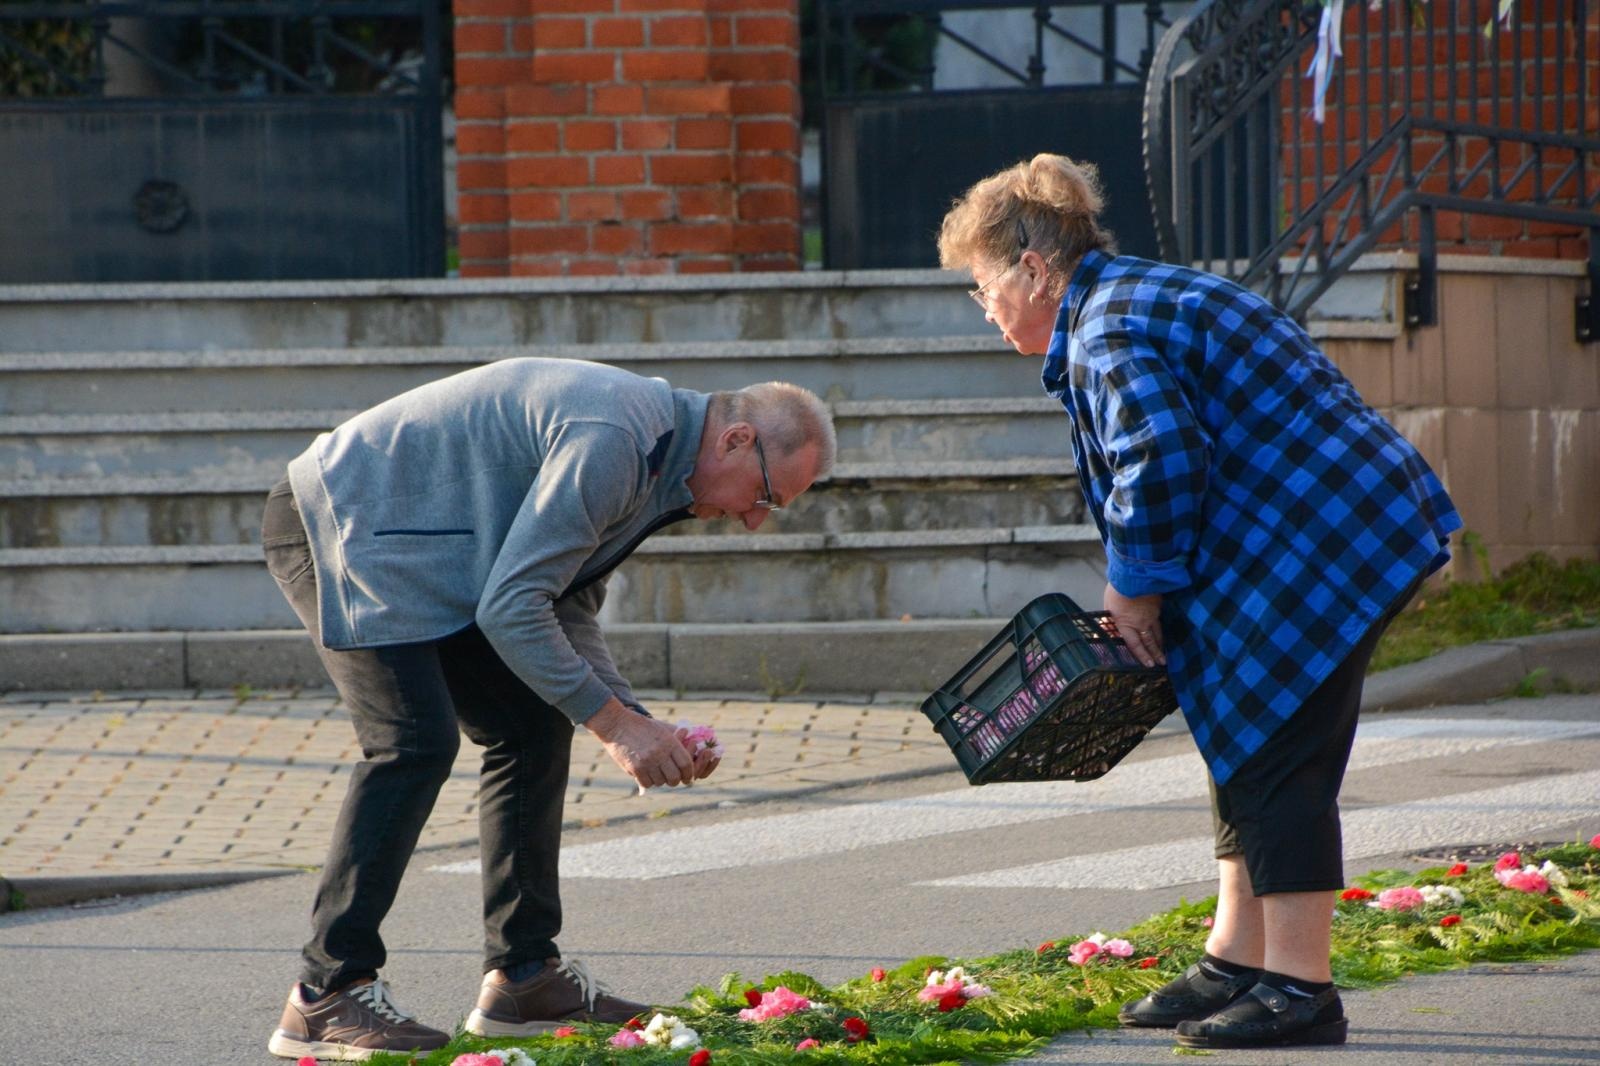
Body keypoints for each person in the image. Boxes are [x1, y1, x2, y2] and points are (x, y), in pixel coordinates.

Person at [938, 155, 1460, 1050]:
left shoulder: (1104, 327)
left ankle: (1302, 987)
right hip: (1316, 532)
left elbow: (1161, 459)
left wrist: (1131, 586)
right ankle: (1239, 956)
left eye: (984, 287)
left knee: (1274, 748)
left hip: (1319, 541)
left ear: (1032, 267)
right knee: (1240, 731)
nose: (983, 310)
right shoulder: (1128, 298)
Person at [260, 357, 836, 1060]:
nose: (752, 521)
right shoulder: (617, 441)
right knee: (414, 743)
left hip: (440, 551)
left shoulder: (665, 467)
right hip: (347, 523)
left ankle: (524, 978)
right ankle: (325, 993)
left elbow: (563, 605)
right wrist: (618, 727)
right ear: (736, 441)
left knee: (531, 727)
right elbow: (514, 608)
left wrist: (636, 720)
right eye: (767, 497)